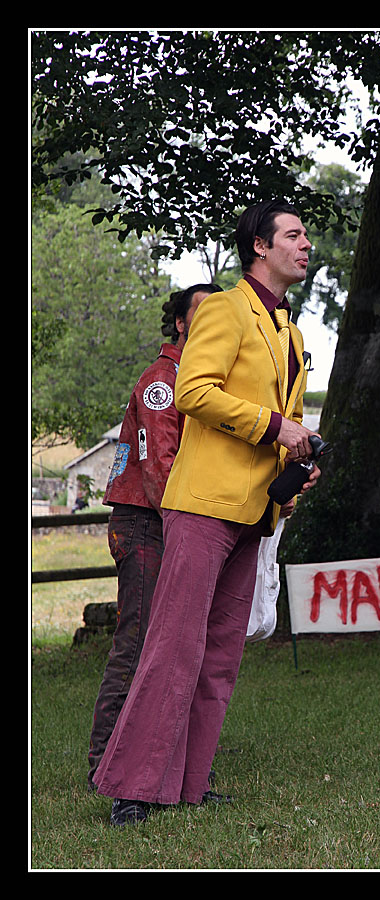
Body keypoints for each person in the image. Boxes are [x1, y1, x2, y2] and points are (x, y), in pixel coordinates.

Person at [93, 200, 321, 826]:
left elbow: (286, 422)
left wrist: (297, 464)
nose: (306, 244)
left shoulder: (291, 332)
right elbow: (193, 390)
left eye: (306, 235)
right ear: (259, 247)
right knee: (173, 646)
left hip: (256, 512)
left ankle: (190, 785)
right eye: (294, 235)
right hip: (202, 506)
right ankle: (133, 788)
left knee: (219, 658)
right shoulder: (222, 308)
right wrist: (276, 427)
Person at [87, 284, 222, 792]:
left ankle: (168, 761)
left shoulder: (204, 380)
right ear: (181, 324)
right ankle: (105, 763)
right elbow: (159, 465)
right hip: (148, 521)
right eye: (202, 312)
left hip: (173, 521)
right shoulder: (163, 381)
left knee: (180, 643)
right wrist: (187, 529)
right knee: (139, 641)